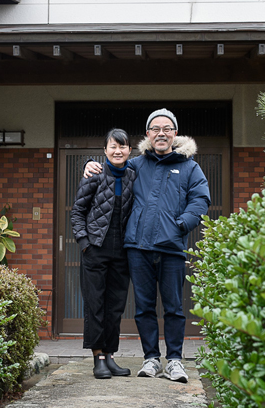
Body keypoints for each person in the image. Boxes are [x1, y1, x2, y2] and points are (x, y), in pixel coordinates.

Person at [84, 108, 210, 383]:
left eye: (167, 128)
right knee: (144, 308)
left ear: (175, 133)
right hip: (138, 248)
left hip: (172, 248)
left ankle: (175, 360)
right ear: (148, 134)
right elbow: (112, 166)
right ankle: (151, 358)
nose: (161, 133)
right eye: (155, 128)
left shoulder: (190, 167)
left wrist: (181, 225)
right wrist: (89, 165)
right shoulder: (137, 164)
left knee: (174, 308)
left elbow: (200, 201)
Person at [70, 128, 136, 379]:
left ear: (130, 150)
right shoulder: (95, 174)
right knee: (95, 305)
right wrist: (84, 242)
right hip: (95, 250)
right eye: (113, 147)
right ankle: (97, 357)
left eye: (122, 146)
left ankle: (110, 356)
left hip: (122, 252)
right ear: (105, 151)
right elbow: (77, 212)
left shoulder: (133, 175)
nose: (118, 151)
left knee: (115, 306)